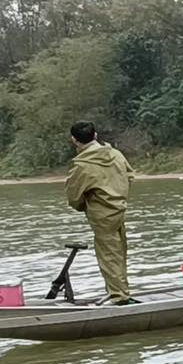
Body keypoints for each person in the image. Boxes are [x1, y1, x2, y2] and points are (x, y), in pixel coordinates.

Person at [64, 121, 137, 305]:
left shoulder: (82, 166)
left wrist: (85, 205)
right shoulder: (115, 154)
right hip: (120, 208)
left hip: (101, 214)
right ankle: (120, 291)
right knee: (119, 252)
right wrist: (119, 195)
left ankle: (119, 296)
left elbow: (73, 197)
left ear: (74, 140)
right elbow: (130, 175)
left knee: (109, 255)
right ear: (95, 135)